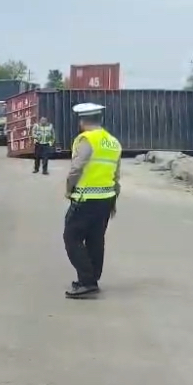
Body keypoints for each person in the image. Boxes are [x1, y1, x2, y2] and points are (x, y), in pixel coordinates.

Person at [63, 103, 121, 299]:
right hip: (106, 198)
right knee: (96, 240)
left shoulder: (87, 139)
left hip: (85, 198)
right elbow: (116, 175)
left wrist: (69, 189)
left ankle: (87, 281)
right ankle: (91, 279)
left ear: (83, 121)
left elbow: (76, 168)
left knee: (71, 238)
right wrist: (114, 201)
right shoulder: (113, 142)